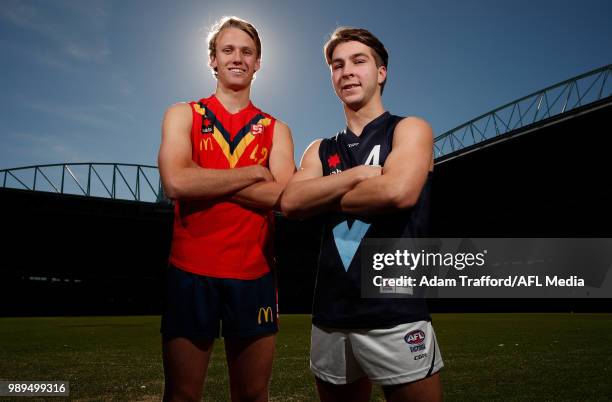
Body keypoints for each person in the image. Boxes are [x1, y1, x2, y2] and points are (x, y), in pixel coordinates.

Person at [281, 27, 443, 402]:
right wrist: (355, 177)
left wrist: (322, 196)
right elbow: (290, 202)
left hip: (395, 310)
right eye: (337, 65)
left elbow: (397, 191)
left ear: (381, 72)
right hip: (329, 315)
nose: (347, 71)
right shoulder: (319, 149)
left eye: (359, 61)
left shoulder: (409, 129)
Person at [157, 16, 295, 402]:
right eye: (228, 50)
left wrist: (206, 178)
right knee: (182, 394)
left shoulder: (276, 128)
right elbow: (176, 183)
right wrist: (254, 173)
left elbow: (284, 197)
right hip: (189, 270)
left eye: (247, 52)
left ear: (258, 63)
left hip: (254, 273)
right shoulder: (183, 114)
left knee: (252, 394)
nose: (238, 58)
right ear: (213, 60)